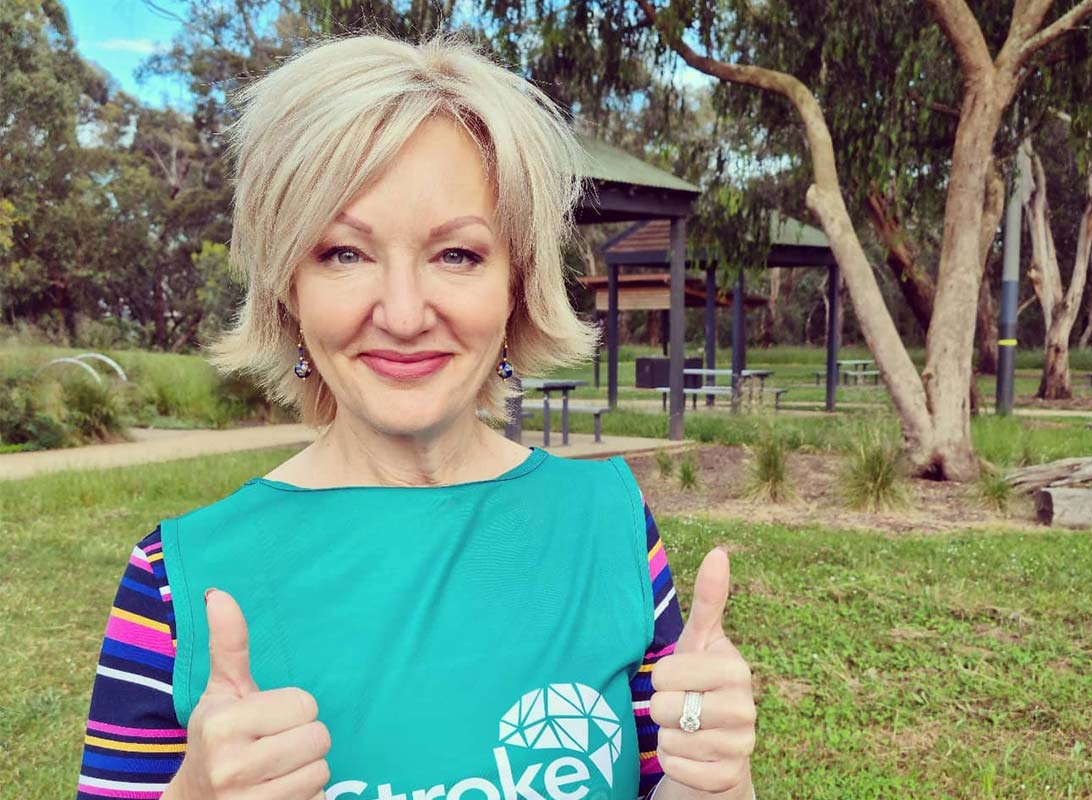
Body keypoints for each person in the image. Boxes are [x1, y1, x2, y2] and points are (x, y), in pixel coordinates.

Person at [76, 34, 757, 800]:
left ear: (516, 287)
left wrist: (715, 782)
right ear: (287, 289)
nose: (402, 315)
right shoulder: (176, 581)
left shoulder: (610, 525)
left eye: (457, 255)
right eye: (343, 253)